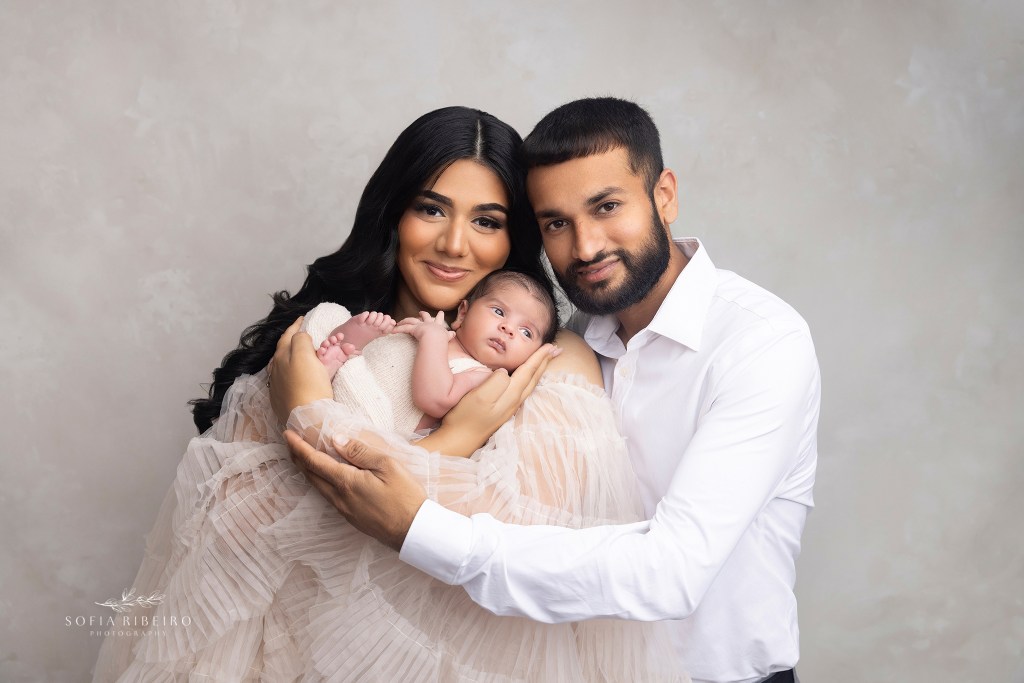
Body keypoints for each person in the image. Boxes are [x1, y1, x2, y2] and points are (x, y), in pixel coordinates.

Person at [93, 105, 686, 682]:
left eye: (487, 220)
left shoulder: (550, 359)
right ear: (393, 215)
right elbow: (239, 539)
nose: (455, 244)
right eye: (431, 209)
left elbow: (534, 549)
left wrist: (319, 418)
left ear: (515, 239)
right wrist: (434, 437)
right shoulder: (322, 338)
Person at [280, 97, 821, 683]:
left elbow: (671, 573)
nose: (585, 248)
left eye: (607, 206)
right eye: (556, 224)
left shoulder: (759, 344)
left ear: (664, 195)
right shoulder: (558, 341)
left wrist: (419, 528)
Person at [309, 269, 558, 434]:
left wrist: (432, 339)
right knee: (328, 313)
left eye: (526, 333)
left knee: (361, 411)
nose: (508, 329)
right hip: (366, 371)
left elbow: (434, 399)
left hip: (376, 425)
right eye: (499, 312)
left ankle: (339, 364)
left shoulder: (482, 376)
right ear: (462, 313)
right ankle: (345, 351)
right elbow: (389, 353)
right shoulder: (437, 329)